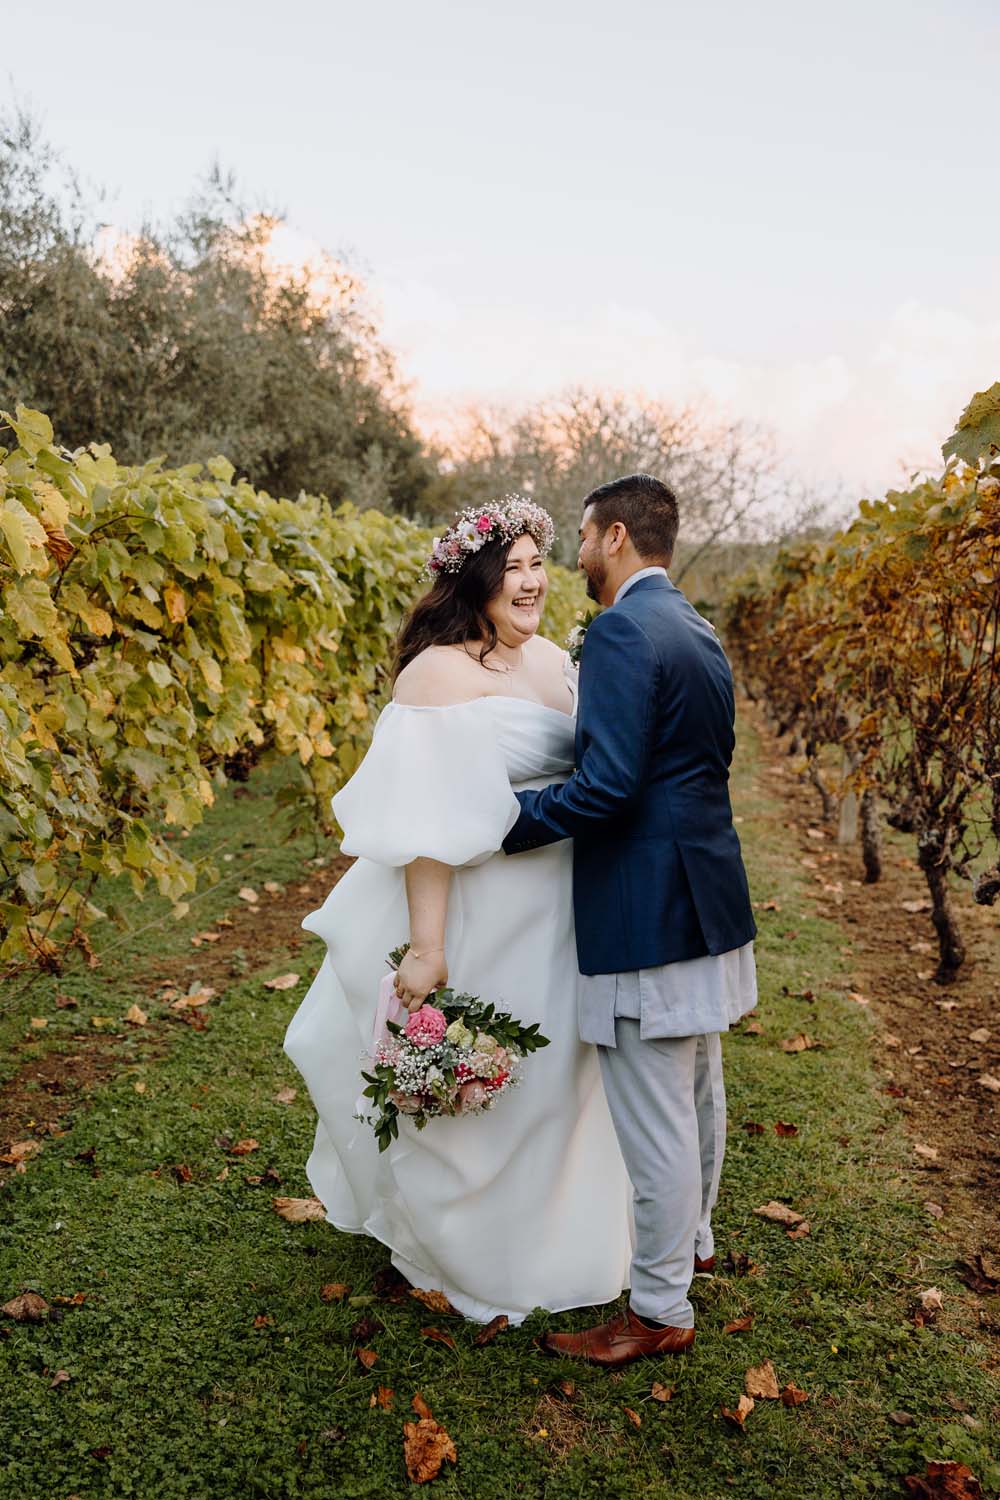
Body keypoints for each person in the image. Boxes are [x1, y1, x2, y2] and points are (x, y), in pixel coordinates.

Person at [283, 495, 632, 1324]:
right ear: (472, 579)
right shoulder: (435, 675)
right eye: (510, 567)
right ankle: (472, 1252)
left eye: (537, 564)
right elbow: (425, 826)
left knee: (561, 1078)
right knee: (492, 1075)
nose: (530, 581)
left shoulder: (554, 660)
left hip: (564, 908)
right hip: (481, 908)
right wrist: (428, 947)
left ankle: (561, 1240)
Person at [503, 473, 758, 1366]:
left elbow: (608, 786)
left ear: (615, 537)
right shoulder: (695, 626)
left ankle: (657, 1312)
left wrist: (511, 825)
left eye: (578, 538)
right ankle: (691, 1247)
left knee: (656, 1118)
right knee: (695, 1095)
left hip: (647, 911)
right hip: (706, 899)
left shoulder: (617, 631)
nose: (573, 556)